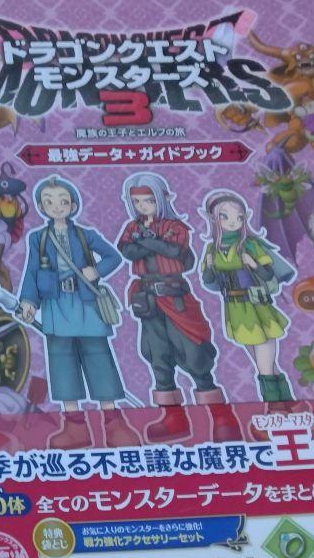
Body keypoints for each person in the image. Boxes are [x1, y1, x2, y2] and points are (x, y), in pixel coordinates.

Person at [117, 172, 241, 443]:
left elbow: (174, 251)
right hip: (147, 300)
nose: (143, 206)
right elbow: (127, 251)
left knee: (194, 352)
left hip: (175, 297)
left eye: (149, 200)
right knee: (157, 357)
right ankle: (173, 418)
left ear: (161, 199)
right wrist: (149, 243)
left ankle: (220, 416)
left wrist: (143, 240)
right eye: (137, 202)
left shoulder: (175, 226)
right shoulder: (131, 227)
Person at [18, 175, 139, 449]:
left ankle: (113, 424)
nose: (56, 206)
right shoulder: (38, 238)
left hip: (85, 303)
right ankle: (74, 427)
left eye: (62, 201)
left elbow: (113, 256)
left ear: (72, 205)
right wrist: (28, 302)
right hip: (55, 304)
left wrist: (96, 271)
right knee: (61, 361)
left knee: (98, 357)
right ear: (41, 206)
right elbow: (32, 271)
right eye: (49, 202)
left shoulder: (85, 234)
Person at [200, 190, 295, 403]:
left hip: (256, 305)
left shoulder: (251, 244)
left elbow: (268, 274)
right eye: (225, 216)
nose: (233, 221)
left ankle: (273, 404)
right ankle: (288, 402)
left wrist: (253, 264)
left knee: (264, 364)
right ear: (213, 218)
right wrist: (210, 267)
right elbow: (209, 282)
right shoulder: (212, 249)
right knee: (266, 363)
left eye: (239, 217)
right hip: (235, 308)